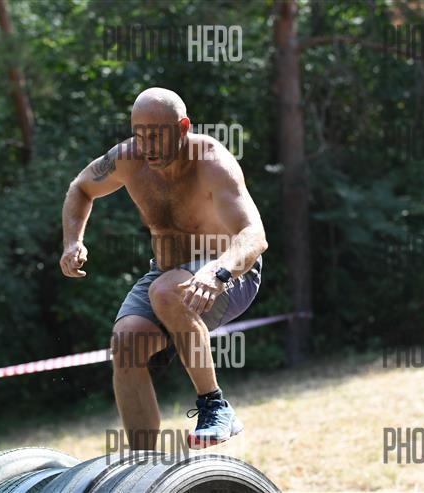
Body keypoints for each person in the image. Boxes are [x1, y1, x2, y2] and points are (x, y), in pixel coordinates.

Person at [60, 87, 267, 450]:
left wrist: (218, 272)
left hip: (230, 272)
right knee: (126, 343)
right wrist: (72, 241)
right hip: (167, 272)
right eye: (140, 135)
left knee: (167, 291)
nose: (147, 146)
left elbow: (254, 235)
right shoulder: (127, 158)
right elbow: (80, 188)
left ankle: (215, 406)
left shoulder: (211, 161)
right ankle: (143, 466)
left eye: (156, 135)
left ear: (183, 128)